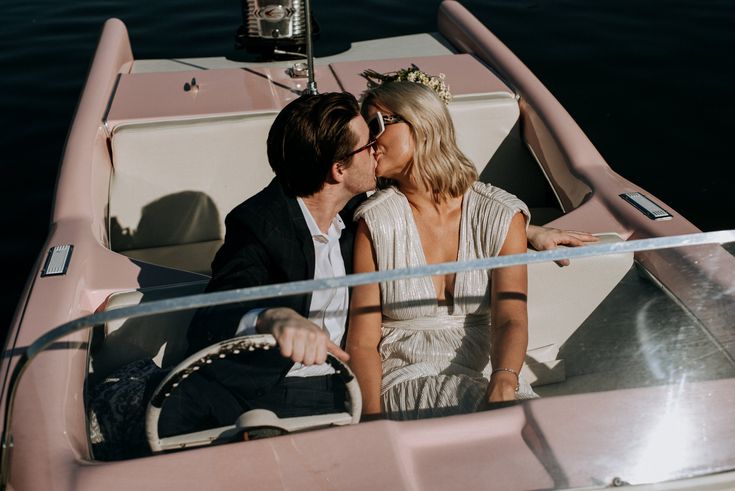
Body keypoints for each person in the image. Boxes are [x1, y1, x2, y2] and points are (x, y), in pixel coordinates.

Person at [160, 91, 376, 436]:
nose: (376, 149)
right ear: (338, 170)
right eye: (368, 145)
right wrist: (272, 316)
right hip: (266, 388)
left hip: (344, 377)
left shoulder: (358, 212)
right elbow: (217, 308)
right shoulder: (259, 222)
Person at [346, 80, 558, 420]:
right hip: (403, 379)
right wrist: (372, 420)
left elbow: (510, 319)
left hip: (482, 375)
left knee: (540, 427)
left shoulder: (501, 215)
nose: (369, 142)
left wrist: (504, 380)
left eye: (376, 125)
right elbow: (362, 342)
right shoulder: (375, 221)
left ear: (419, 123)